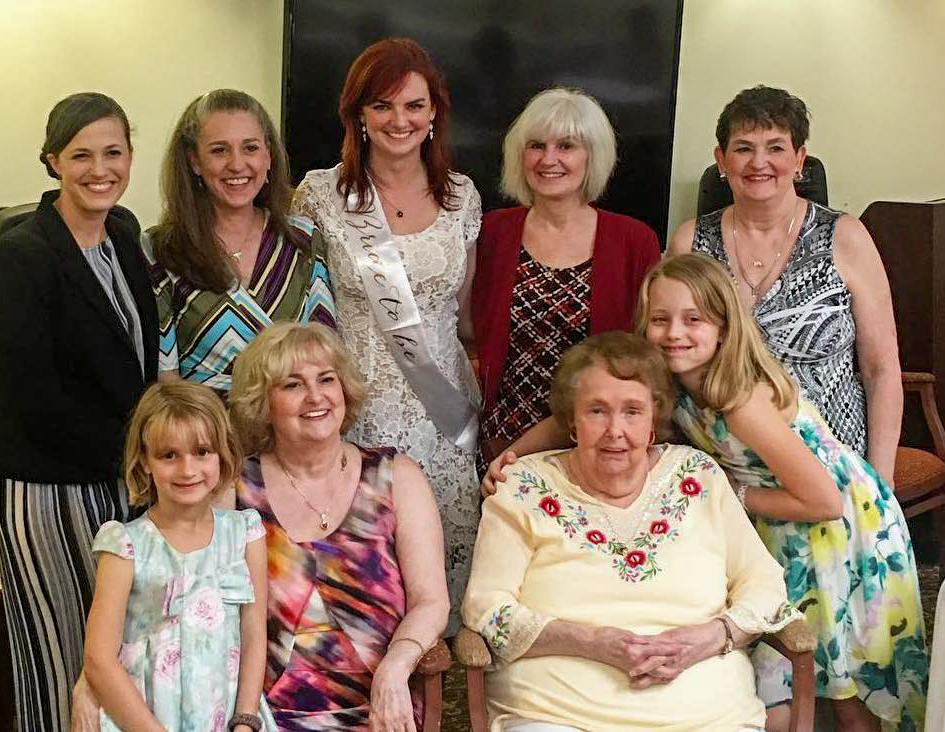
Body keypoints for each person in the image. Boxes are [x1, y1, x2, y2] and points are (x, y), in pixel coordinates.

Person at [638, 253, 927, 731]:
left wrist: (737, 497)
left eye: (694, 320)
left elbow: (825, 501)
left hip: (841, 532)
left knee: (849, 687)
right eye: (660, 319)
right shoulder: (677, 387)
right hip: (785, 529)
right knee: (797, 676)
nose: (674, 333)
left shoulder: (740, 401)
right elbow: (585, 400)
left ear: (725, 329)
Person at [463, 331, 799, 731]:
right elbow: (488, 610)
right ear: (571, 419)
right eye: (597, 411)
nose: (615, 430)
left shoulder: (697, 475)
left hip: (707, 716)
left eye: (632, 411)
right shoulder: (522, 487)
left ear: (654, 421)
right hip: (556, 714)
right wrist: (593, 643)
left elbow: (764, 584)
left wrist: (711, 637)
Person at [0, 92, 159, 732]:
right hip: (48, 489)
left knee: (117, 656)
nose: (99, 169)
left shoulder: (125, 238)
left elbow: (138, 363)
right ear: (52, 160)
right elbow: (34, 398)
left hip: (118, 483)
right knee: (60, 659)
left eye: (113, 152)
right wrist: (141, 457)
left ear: (131, 156)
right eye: (81, 155)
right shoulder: (19, 256)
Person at [291, 38, 481, 633]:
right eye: (382, 106)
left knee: (448, 560)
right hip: (355, 408)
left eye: (414, 106)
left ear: (434, 115)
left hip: (443, 411)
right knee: (363, 565)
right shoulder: (322, 194)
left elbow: (465, 312)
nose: (400, 120)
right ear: (359, 115)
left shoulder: (461, 196)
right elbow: (302, 311)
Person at [667, 85, 901, 483]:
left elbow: (881, 370)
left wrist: (881, 481)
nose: (760, 162)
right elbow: (668, 359)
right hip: (725, 472)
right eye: (743, 148)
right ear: (721, 160)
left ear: (799, 160)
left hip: (832, 468)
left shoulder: (845, 237)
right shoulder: (691, 242)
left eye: (776, 147)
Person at [230, 323, 449, 730]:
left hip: (380, 710)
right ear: (263, 403)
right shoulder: (237, 489)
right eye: (292, 385)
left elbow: (432, 601)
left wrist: (395, 667)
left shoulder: (396, 477)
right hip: (267, 718)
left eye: (326, 379)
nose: (315, 396)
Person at [473, 87, 659, 468]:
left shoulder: (635, 240)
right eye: (537, 146)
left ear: (592, 157)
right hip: (501, 442)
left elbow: (646, 354)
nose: (549, 159)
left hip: (597, 443)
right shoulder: (490, 232)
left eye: (567, 146)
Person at [84, 381, 275, 732]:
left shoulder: (245, 534)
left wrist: (246, 720)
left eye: (202, 452)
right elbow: (98, 660)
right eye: (169, 455)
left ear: (222, 455)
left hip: (229, 715)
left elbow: (253, 634)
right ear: (144, 461)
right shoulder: (125, 544)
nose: (188, 470)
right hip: (145, 718)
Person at [145, 88, 336, 394]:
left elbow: (326, 356)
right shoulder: (159, 249)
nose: (237, 164)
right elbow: (166, 383)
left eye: (250, 148)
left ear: (268, 156)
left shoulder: (304, 238)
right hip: (207, 434)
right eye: (219, 150)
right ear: (194, 161)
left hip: (295, 433)